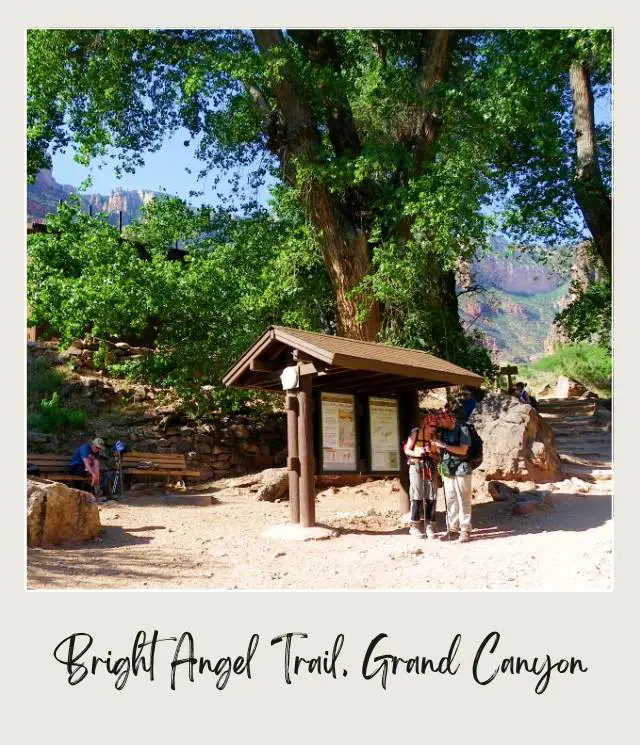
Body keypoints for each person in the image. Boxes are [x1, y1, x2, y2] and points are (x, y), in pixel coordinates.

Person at [430, 410, 474, 543]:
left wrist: (443, 445)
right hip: (448, 469)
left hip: (462, 468)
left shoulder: (463, 429)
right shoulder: (443, 431)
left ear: (449, 419)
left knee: (463, 498)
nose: (440, 423)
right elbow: (441, 451)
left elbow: (463, 450)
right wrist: (436, 446)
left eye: (442, 420)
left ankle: (465, 530)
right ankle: (453, 529)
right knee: (450, 499)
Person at [403, 412, 439, 539]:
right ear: (425, 424)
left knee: (432, 495)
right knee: (417, 494)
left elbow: (437, 455)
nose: (433, 428)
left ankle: (430, 525)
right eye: (431, 425)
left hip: (430, 466)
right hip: (416, 465)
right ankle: (415, 525)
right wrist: (418, 452)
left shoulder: (434, 436)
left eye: (435, 426)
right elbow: (407, 449)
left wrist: (432, 453)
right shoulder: (416, 433)